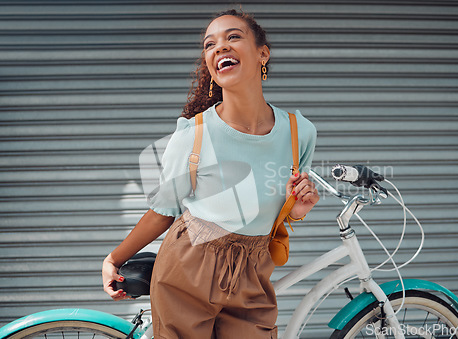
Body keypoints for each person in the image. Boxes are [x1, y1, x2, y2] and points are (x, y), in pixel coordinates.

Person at [102, 8, 319, 338]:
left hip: (253, 274)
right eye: (210, 44)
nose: (220, 47)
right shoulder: (193, 134)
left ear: (263, 53)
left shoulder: (299, 132)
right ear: (210, 65)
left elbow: (274, 208)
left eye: (233, 37)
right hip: (188, 268)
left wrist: (297, 210)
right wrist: (114, 258)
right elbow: (163, 212)